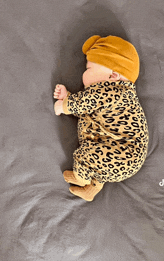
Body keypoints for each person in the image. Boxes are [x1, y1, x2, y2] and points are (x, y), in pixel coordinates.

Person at [54, 35, 149, 201]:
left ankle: (81, 177)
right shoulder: (111, 99)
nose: (83, 75)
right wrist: (68, 96)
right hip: (120, 152)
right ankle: (91, 189)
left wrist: (65, 105)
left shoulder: (116, 91)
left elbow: (86, 101)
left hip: (125, 152)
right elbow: (88, 113)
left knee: (87, 155)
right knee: (100, 162)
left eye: (88, 69)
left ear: (113, 75)